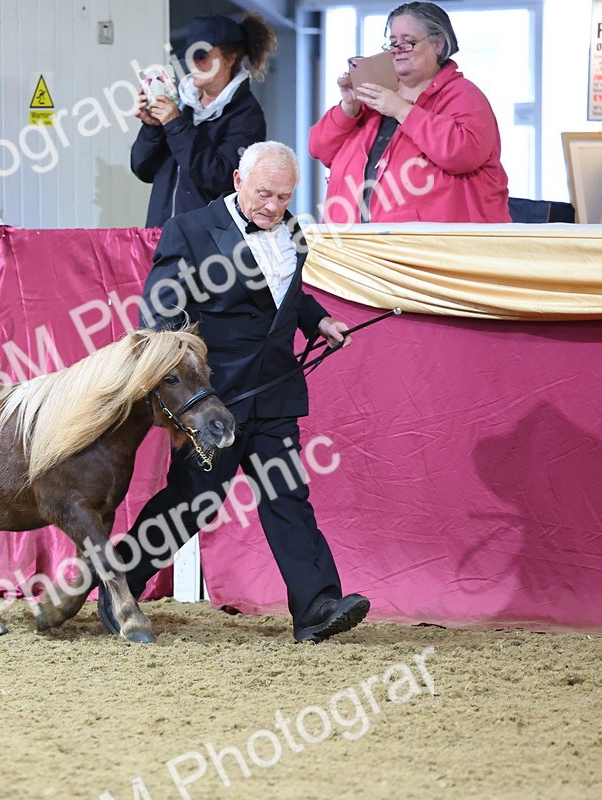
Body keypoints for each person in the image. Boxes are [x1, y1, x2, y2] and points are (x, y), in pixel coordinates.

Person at [97, 141, 370, 644]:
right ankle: (120, 586)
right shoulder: (191, 229)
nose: (273, 207)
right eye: (264, 194)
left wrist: (317, 320)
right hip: (214, 403)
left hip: (276, 393)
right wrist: (179, 383)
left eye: (284, 197)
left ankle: (316, 606)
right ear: (238, 181)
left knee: (287, 496)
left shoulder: (290, 230)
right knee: (194, 502)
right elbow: (159, 312)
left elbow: (283, 291)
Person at [308, 2, 510, 224]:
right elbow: (319, 148)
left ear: (438, 44)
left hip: (431, 249)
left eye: (408, 42)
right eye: (393, 43)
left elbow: (462, 154)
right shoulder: (374, 96)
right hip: (354, 245)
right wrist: (348, 107)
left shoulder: (464, 96)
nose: (397, 50)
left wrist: (402, 110)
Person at [131, 13, 276, 228]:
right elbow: (143, 169)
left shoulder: (247, 115)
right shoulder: (181, 104)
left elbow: (221, 177)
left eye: (203, 57)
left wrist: (175, 124)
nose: (194, 64)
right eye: (191, 56)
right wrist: (152, 128)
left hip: (209, 244)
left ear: (229, 58)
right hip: (161, 236)